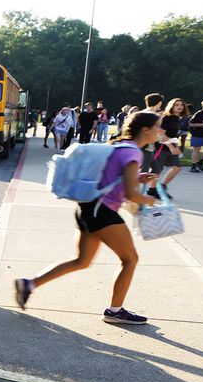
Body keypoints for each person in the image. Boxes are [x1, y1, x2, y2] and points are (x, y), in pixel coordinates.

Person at [14, 111, 161, 324]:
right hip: (101, 211)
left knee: (82, 261)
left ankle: (28, 285)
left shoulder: (120, 147)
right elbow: (131, 195)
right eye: (157, 126)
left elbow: (111, 175)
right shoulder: (134, 153)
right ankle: (115, 311)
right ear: (145, 130)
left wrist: (137, 176)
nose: (160, 131)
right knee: (130, 259)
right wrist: (153, 201)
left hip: (87, 207)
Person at [152, 98, 188, 198]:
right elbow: (160, 134)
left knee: (177, 167)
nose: (180, 106)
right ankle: (152, 191)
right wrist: (172, 147)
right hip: (162, 147)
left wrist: (176, 146)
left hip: (171, 147)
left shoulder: (178, 118)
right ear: (172, 106)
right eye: (177, 105)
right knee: (157, 171)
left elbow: (172, 135)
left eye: (181, 105)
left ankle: (162, 187)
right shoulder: (167, 118)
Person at [139, 93, 163, 176]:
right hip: (145, 147)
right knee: (143, 172)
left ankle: (150, 188)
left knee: (156, 170)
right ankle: (138, 188)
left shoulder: (143, 113)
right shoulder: (150, 115)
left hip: (148, 147)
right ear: (159, 103)